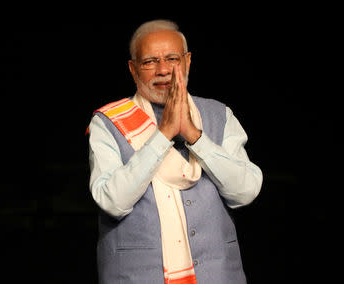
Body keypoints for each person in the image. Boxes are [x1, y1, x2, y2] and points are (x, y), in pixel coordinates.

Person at [87, 19, 263, 284]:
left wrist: (195, 136)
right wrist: (163, 135)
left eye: (172, 58)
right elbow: (112, 202)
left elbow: (246, 192)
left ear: (188, 61)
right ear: (133, 69)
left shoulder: (219, 115)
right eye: (149, 62)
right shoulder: (109, 122)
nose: (163, 70)